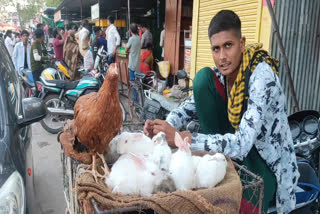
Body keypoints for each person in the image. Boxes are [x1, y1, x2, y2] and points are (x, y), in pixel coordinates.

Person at [144, 10, 299, 214]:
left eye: (228, 46)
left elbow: (242, 144)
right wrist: (163, 128)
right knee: (202, 79)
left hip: (263, 161)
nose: (222, 57)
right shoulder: (222, 75)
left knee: (236, 204)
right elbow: (186, 108)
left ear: (241, 44)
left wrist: (184, 138)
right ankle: (217, 164)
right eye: (216, 49)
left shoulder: (262, 78)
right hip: (235, 148)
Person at [30, 29, 53, 96]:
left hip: (40, 67)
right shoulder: (35, 43)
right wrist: (48, 58)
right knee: (38, 89)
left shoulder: (39, 43)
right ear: (42, 36)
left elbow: (40, 58)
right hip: (36, 69)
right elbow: (36, 57)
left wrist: (47, 60)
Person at [126, 23, 141, 103]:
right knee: (137, 81)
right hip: (137, 63)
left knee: (132, 81)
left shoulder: (131, 39)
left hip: (132, 63)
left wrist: (129, 50)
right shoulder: (139, 38)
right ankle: (137, 97)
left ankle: (134, 99)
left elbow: (126, 50)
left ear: (131, 30)